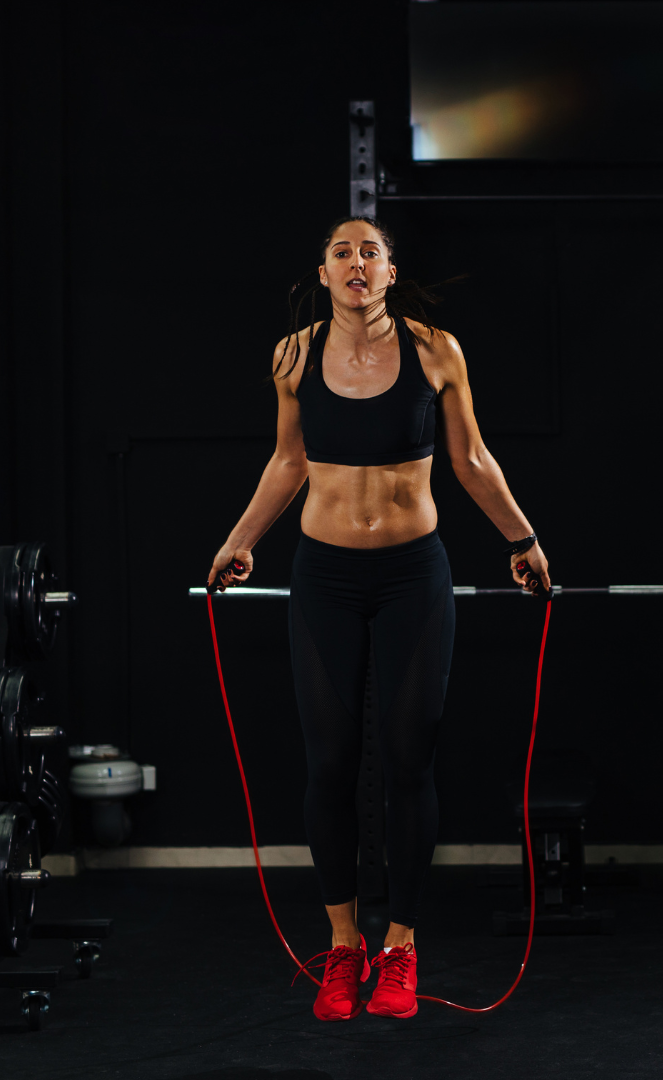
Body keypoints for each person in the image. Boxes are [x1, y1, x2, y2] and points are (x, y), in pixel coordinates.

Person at [208, 216, 551, 1022]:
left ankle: (398, 946)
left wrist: (523, 538)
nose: (356, 262)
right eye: (341, 251)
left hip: (411, 576)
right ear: (323, 273)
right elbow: (289, 461)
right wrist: (238, 541)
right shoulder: (294, 354)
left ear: (391, 271)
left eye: (371, 251)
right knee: (329, 764)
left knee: (406, 761)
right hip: (324, 576)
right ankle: (342, 947)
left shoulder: (437, 350)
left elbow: (469, 459)